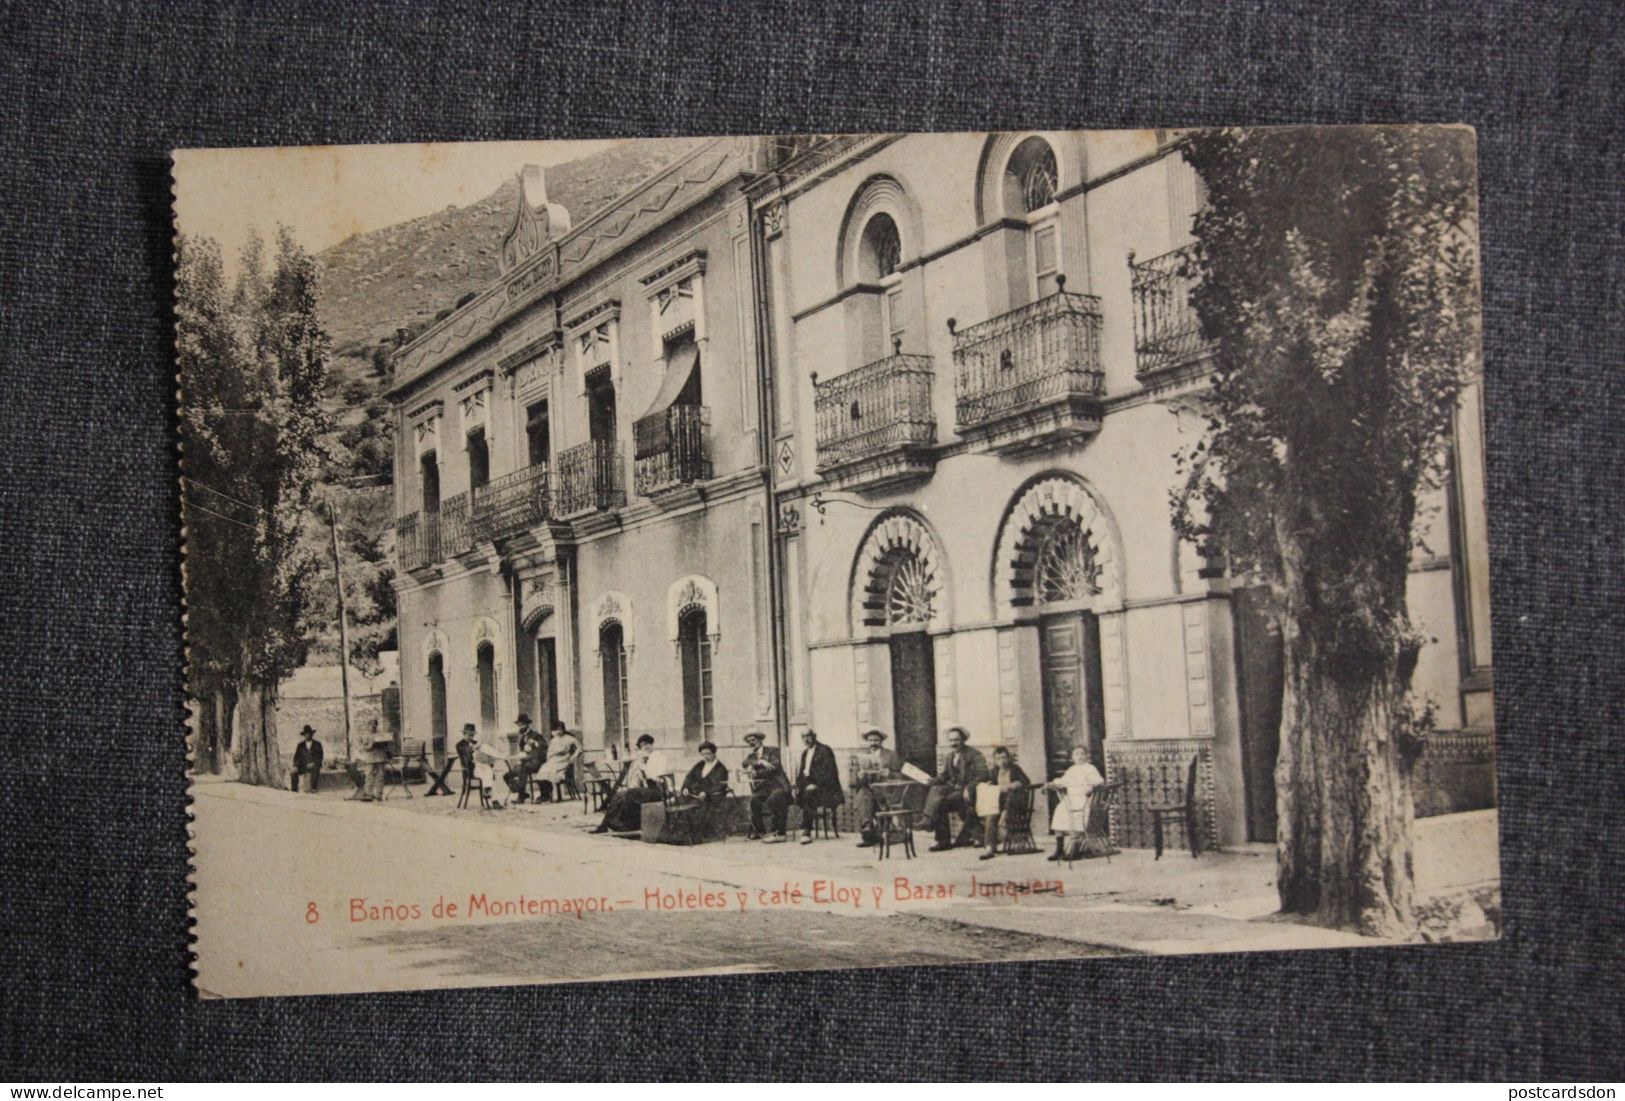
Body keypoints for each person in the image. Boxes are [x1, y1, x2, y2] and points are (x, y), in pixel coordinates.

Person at [923, 725, 988, 851]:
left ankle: (942, 838)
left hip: (969, 791)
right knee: (935, 790)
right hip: (954, 788)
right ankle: (930, 822)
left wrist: (969, 788)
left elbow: (983, 774)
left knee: (940, 803)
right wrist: (932, 780)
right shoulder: (950, 756)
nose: (954, 743)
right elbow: (944, 776)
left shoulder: (974, 754)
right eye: (951, 740)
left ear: (963, 740)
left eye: (956, 740)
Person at [592, 734, 670, 834]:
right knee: (618, 795)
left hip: (658, 790)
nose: (645, 747)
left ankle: (619, 824)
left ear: (651, 744)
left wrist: (643, 768)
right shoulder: (645, 759)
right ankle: (606, 824)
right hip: (646, 790)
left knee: (629, 794)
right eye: (642, 746)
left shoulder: (660, 758)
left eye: (647, 744)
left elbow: (659, 778)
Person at [1043, 745, 1106, 861]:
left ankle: (1076, 848)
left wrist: (1092, 788)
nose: (1080, 756)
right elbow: (1063, 781)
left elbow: (1100, 781)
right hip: (1071, 799)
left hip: (1085, 799)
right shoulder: (1072, 770)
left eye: (1082, 753)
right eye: (1077, 754)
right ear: (1072, 757)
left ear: (1087, 756)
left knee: (1077, 813)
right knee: (1060, 810)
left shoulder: (1090, 768)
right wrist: (1052, 783)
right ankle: (1059, 848)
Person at [848, 728, 904, 847]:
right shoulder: (864, 756)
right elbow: (854, 781)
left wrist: (888, 773)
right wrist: (860, 776)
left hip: (886, 791)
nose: (873, 743)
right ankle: (867, 827)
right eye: (870, 740)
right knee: (863, 793)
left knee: (865, 795)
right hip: (869, 791)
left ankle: (870, 832)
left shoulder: (890, 754)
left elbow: (900, 775)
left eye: (876, 740)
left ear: (881, 741)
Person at [791, 728, 844, 845]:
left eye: (808, 736)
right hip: (809, 788)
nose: (806, 739)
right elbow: (801, 774)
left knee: (809, 795)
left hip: (826, 789)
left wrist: (816, 785)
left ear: (814, 736)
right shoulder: (805, 753)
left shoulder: (825, 750)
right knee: (800, 794)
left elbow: (831, 773)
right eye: (803, 737)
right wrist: (796, 787)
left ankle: (806, 831)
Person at [977, 746, 1031, 860]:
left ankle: (1004, 816)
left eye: (1004, 757)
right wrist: (990, 783)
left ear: (1009, 758)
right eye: (998, 758)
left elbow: (1025, 782)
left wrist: (1013, 785)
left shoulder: (1015, 769)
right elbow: (989, 781)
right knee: (991, 816)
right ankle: (990, 848)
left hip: (1016, 802)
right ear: (995, 760)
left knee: (1011, 795)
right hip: (999, 803)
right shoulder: (994, 771)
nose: (1002, 761)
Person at [740, 730, 790, 842]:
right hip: (764, 787)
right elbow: (744, 763)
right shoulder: (751, 756)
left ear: (760, 739)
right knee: (754, 800)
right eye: (749, 742)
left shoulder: (772, 751)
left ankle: (779, 833)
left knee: (775, 798)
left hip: (778, 784)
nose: (751, 743)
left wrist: (758, 767)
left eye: (753, 740)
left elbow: (774, 766)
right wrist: (760, 762)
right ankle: (759, 831)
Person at [532, 722, 580, 802]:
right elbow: (549, 752)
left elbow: (579, 749)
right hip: (553, 760)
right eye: (557, 729)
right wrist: (548, 760)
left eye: (560, 729)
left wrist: (573, 757)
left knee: (550, 772)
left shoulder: (569, 738)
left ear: (563, 729)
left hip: (563, 759)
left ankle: (547, 794)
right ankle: (545, 794)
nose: (559, 731)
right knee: (541, 773)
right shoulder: (554, 740)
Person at [503, 714, 546, 802]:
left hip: (536, 762)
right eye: (519, 725)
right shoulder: (522, 738)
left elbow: (544, 747)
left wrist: (535, 743)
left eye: (522, 724)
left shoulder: (536, 735)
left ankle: (521, 796)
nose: (520, 727)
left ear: (527, 725)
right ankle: (522, 792)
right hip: (525, 762)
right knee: (507, 775)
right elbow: (523, 752)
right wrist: (519, 758)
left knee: (523, 768)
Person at [360, 718, 393, 802]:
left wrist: (385, 743)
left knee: (380, 776)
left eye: (375, 724)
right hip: (371, 758)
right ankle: (368, 794)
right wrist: (371, 745)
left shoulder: (380, 735)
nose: (373, 726)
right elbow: (364, 748)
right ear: (368, 726)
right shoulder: (366, 735)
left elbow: (386, 746)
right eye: (371, 724)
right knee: (369, 776)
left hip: (380, 757)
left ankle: (379, 794)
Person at [290, 724, 324, 793]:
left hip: (314, 765)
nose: (307, 735)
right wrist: (295, 766)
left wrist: (313, 763)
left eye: (309, 733)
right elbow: (297, 757)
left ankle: (314, 788)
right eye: (306, 734)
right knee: (293, 772)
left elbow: (320, 756)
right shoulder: (300, 745)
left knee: (315, 770)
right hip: (304, 766)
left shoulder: (317, 744)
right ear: (304, 735)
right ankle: (294, 790)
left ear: (312, 734)